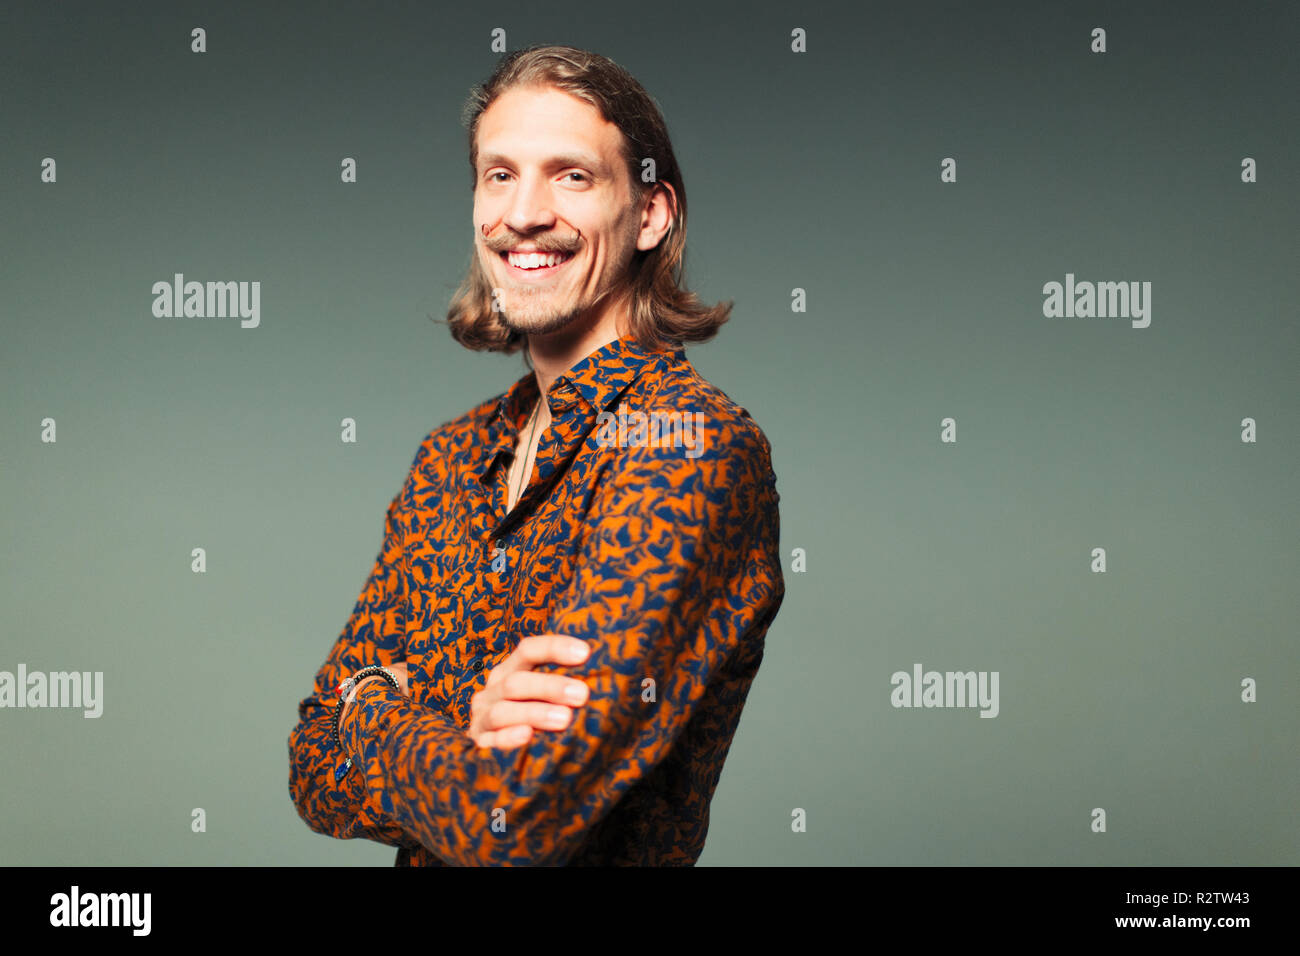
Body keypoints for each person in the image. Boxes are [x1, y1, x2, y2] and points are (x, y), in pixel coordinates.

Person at [287, 44, 785, 866]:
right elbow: (310, 761)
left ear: (651, 215)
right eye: (499, 174)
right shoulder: (450, 458)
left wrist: (372, 705)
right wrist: (451, 729)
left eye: (572, 176)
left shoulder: (691, 452)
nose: (523, 214)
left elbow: (516, 815)